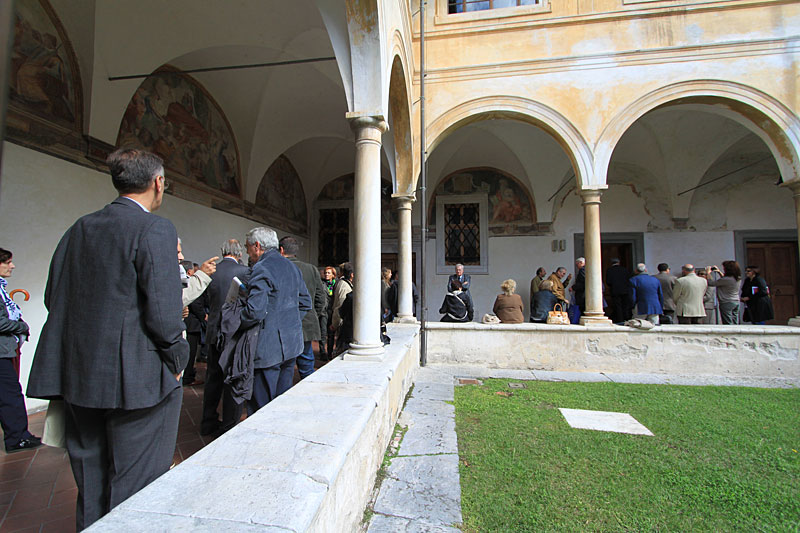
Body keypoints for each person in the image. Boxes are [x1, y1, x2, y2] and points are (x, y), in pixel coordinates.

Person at [27, 149, 189, 530]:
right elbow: (165, 313)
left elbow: (55, 296)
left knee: (92, 483)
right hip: (138, 381)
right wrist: (178, 358)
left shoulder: (79, 228)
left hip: (80, 377)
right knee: (135, 484)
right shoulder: (155, 229)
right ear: (158, 183)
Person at [240, 227, 311, 412]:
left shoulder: (262, 267)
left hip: (267, 347)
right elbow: (305, 302)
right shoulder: (292, 267)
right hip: (291, 345)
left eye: (247, 247)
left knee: (261, 408)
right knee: (281, 404)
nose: (247, 251)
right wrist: (289, 323)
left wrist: (235, 318)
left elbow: (254, 312)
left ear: (257, 246)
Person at [200, 239, 250, 436]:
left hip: (213, 331)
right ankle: (229, 424)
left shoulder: (211, 271)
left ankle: (207, 421)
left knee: (212, 378)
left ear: (223, 252)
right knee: (232, 377)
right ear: (239, 254)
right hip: (232, 332)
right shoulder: (245, 272)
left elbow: (203, 301)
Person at [0, 249, 42, 453]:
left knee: (9, 394)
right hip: (1, 353)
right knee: (10, 395)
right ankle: (17, 438)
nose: (12, 266)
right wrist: (21, 327)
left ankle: (19, 435)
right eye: (7, 262)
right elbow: (1, 322)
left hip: (5, 350)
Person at [279, 236, 325, 379]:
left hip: (283, 323)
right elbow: (320, 297)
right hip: (307, 321)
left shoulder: (279, 267)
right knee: (306, 362)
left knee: (285, 365)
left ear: (281, 250)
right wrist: (312, 314)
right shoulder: (311, 269)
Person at [181, 261, 207, 387]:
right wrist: (203, 316)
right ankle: (188, 376)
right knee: (190, 353)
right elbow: (195, 303)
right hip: (191, 324)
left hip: (191, 323)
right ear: (189, 272)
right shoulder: (188, 285)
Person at [330, 262, 354, 354]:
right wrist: (335, 323)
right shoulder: (344, 286)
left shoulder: (345, 284)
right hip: (342, 324)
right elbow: (340, 307)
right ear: (352, 275)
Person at [605, 258, 632, 324]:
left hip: (615, 291)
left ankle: (620, 320)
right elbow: (628, 280)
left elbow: (608, 281)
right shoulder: (624, 269)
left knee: (617, 306)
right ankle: (627, 318)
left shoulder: (609, 270)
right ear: (619, 262)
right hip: (625, 290)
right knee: (625, 305)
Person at [320, 266, 337, 359]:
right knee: (323, 332)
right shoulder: (321, 283)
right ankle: (322, 352)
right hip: (324, 310)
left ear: (333, 275)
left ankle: (330, 352)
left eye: (329, 273)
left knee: (331, 333)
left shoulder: (336, 284)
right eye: (326, 273)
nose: (326, 274)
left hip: (332, 310)